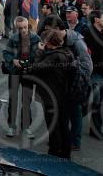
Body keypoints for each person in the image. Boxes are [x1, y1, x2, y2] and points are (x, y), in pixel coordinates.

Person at [39, 15, 93, 151]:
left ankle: (75, 141)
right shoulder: (58, 41)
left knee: (75, 113)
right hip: (61, 88)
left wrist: (75, 82)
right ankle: (61, 140)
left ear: (57, 29)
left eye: (49, 31)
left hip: (74, 87)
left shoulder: (77, 42)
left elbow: (87, 67)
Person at [32, 29, 74, 159]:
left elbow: (36, 68)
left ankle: (54, 153)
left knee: (53, 127)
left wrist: (39, 51)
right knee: (64, 125)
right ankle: (65, 153)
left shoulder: (54, 56)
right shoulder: (67, 52)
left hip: (52, 97)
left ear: (48, 42)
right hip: (64, 96)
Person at [2, 16, 40, 138]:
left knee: (26, 101)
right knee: (13, 99)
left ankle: (27, 127)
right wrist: (13, 60)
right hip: (15, 72)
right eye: (20, 28)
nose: (23, 30)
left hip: (29, 72)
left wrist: (35, 60)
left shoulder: (35, 38)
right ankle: (11, 126)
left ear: (28, 26)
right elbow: (5, 53)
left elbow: (41, 55)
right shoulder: (13, 38)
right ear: (16, 28)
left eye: (25, 27)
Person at [82, 10, 103, 142]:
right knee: (89, 103)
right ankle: (70, 118)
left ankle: (96, 130)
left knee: (101, 104)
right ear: (96, 20)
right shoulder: (89, 32)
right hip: (95, 74)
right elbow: (95, 49)